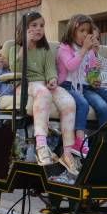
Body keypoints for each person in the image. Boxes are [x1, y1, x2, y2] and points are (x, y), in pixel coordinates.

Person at [7, 11, 79, 174]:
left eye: (41, 26)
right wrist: (25, 45)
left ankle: (68, 153)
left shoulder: (46, 50)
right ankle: (41, 145)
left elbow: (50, 70)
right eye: (34, 26)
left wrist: (52, 79)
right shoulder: (15, 48)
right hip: (25, 85)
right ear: (23, 29)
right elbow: (15, 68)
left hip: (43, 85)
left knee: (68, 102)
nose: (38, 29)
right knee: (43, 93)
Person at [57, 14, 107, 155]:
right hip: (67, 85)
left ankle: (104, 142)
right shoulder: (64, 48)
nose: (85, 35)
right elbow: (70, 66)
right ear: (72, 31)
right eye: (82, 31)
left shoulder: (91, 51)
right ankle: (78, 141)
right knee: (83, 104)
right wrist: (85, 50)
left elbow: (90, 73)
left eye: (88, 32)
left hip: (85, 86)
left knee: (103, 106)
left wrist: (95, 73)